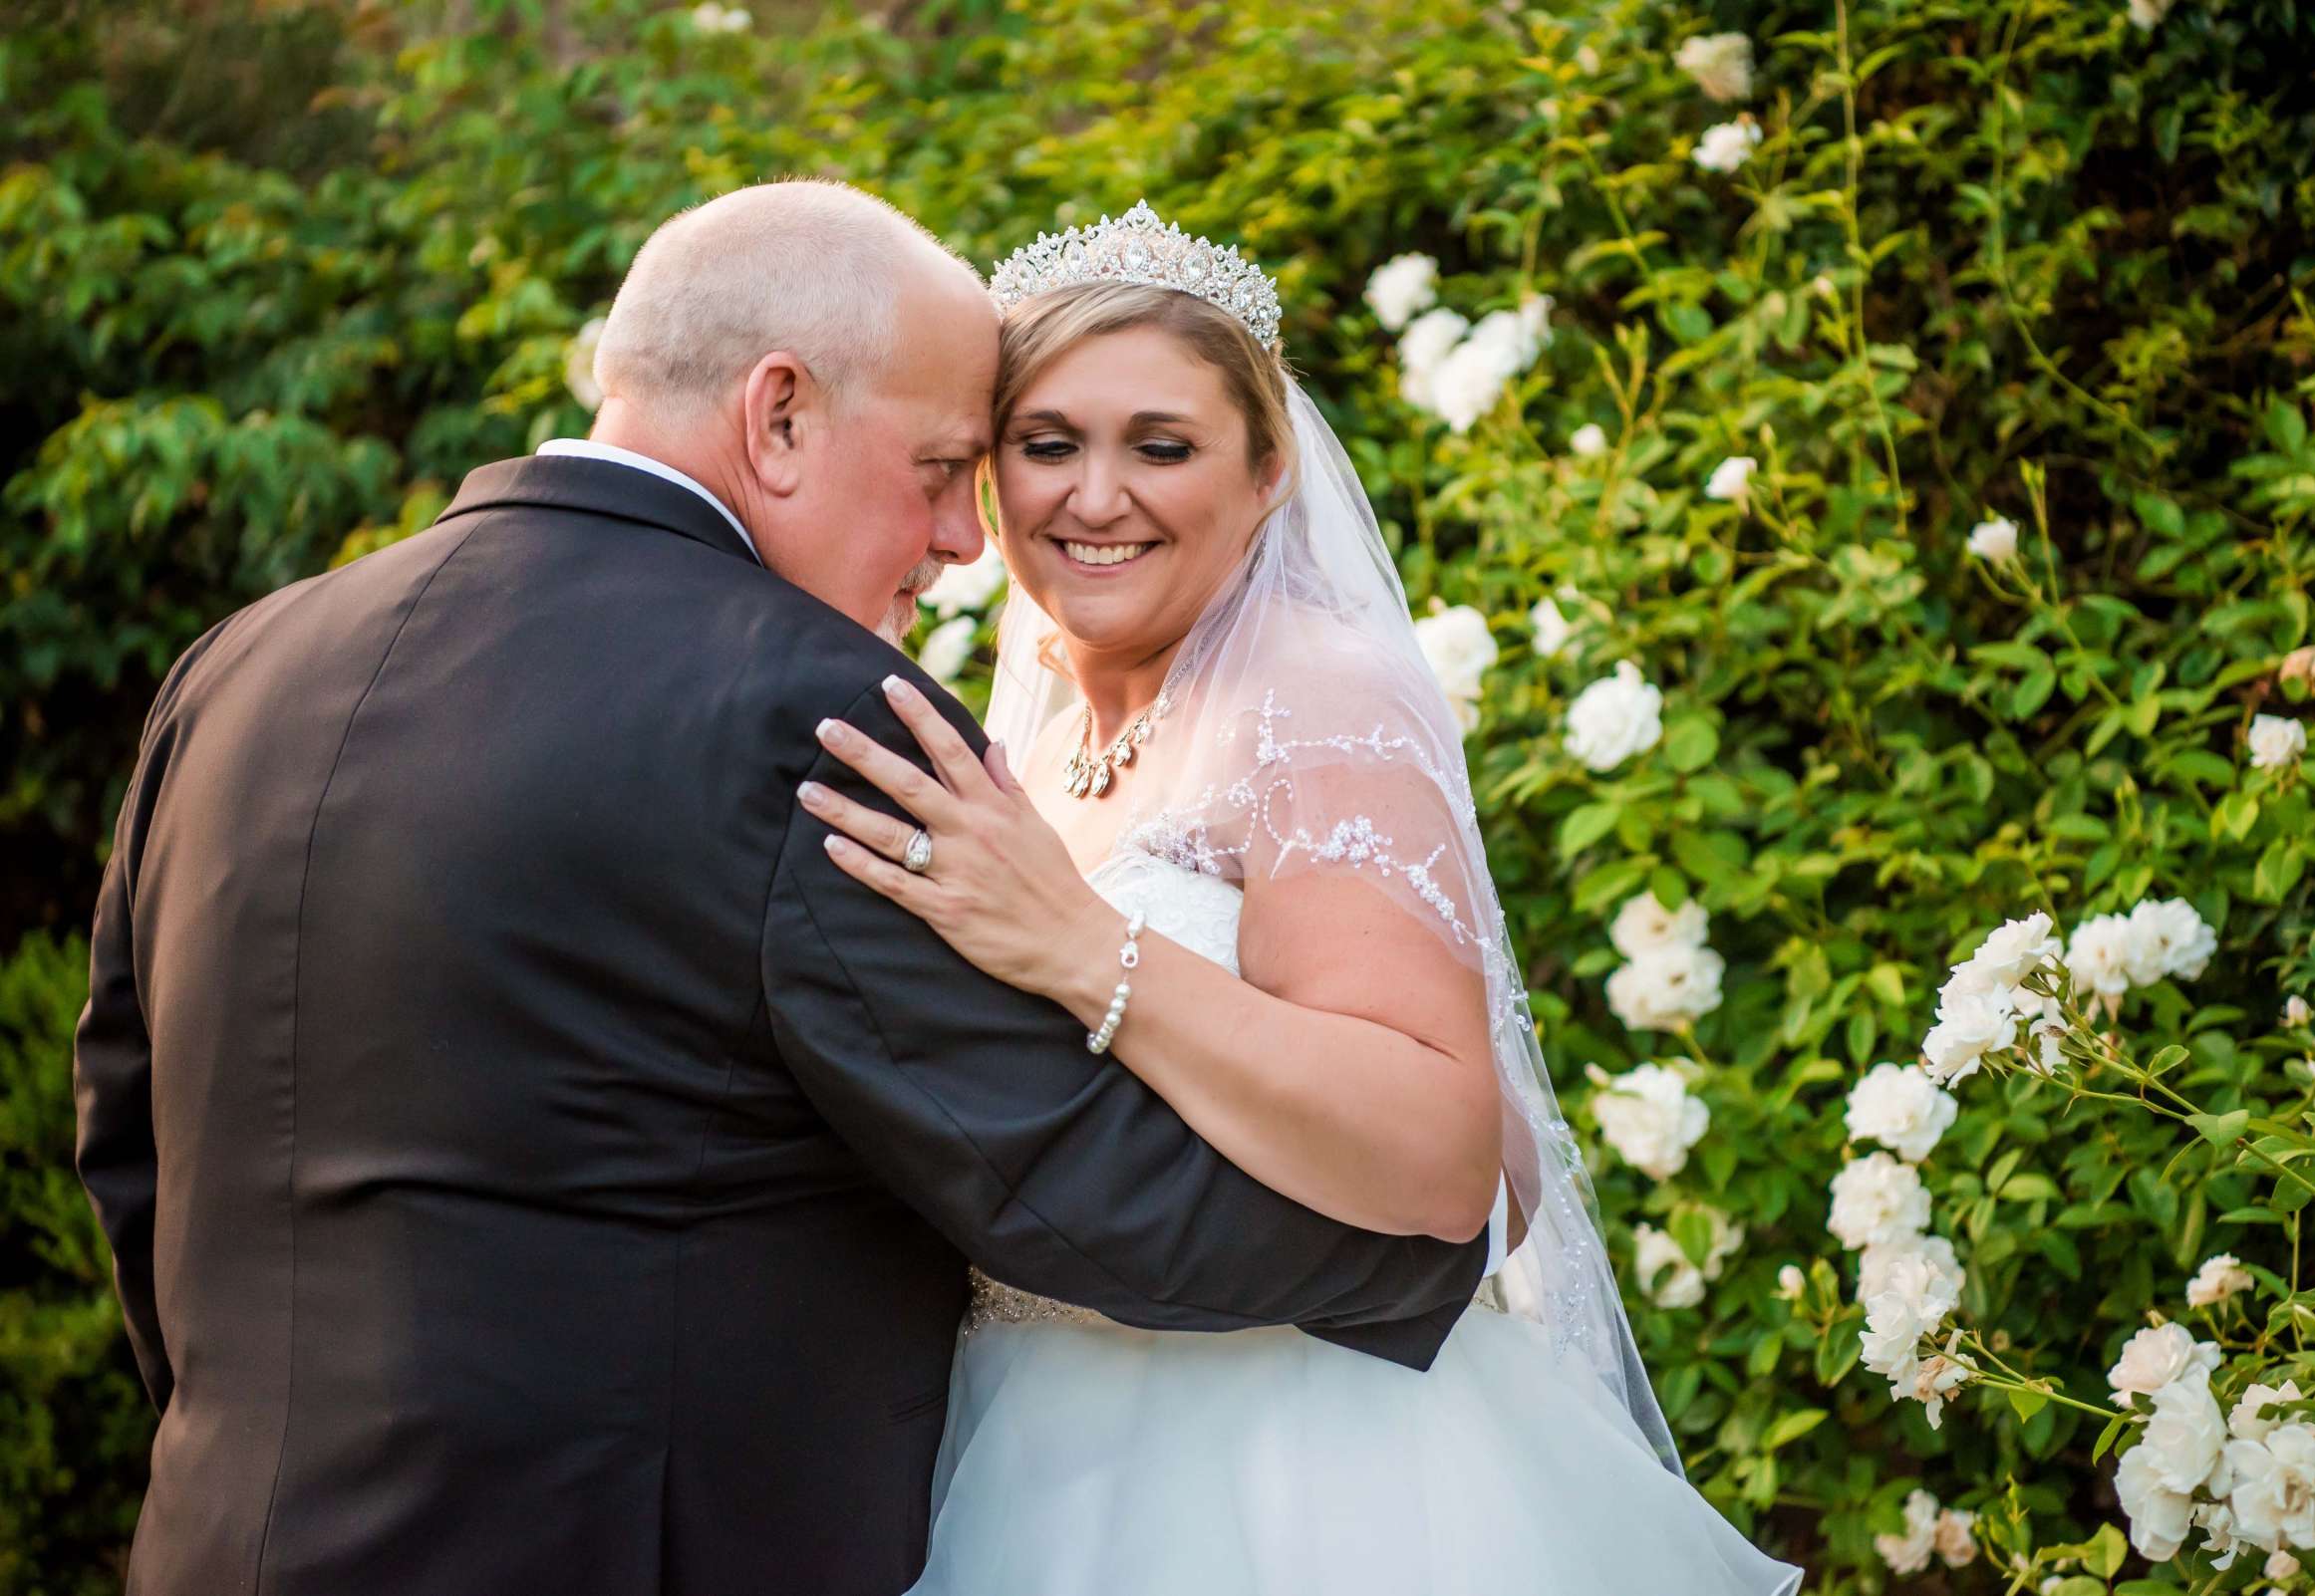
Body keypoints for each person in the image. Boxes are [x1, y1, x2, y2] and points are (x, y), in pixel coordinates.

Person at [70, 180, 1493, 1596]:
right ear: (781, 415)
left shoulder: (240, 670)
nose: (961, 537)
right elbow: (1049, 1171)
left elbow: (129, 1135)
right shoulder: (804, 714)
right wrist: (1436, 1243)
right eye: (950, 467)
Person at [803, 201, 1806, 1595]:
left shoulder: (1311, 701)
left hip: (1297, 1466)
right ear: (988, 476)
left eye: (1162, 445)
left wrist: (1090, 947)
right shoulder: (1023, 734)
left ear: (1269, 468)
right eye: (1048, 444)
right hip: (1037, 1436)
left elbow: (1452, 1158)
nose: (1096, 496)